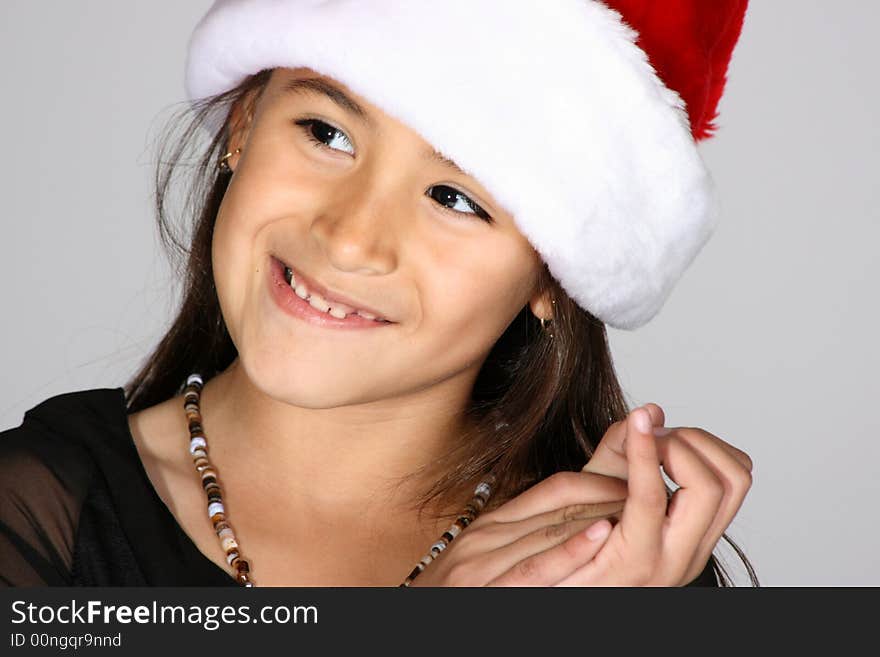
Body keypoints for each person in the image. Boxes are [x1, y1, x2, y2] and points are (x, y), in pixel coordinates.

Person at [0, 0, 757, 587]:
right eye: (326, 132)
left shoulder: (612, 572)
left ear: (552, 276)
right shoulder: (38, 515)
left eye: (455, 198)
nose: (351, 238)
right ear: (243, 121)